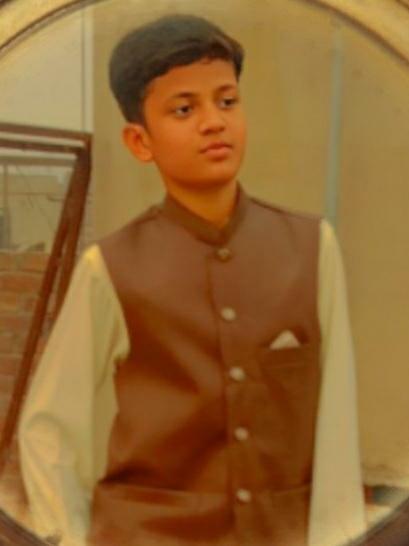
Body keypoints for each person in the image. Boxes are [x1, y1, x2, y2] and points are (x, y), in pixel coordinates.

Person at [18, 13, 367, 546]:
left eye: (226, 101)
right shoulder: (109, 266)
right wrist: (68, 535)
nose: (213, 122)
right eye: (184, 109)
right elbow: (49, 430)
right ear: (140, 141)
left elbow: (336, 426)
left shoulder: (311, 247)